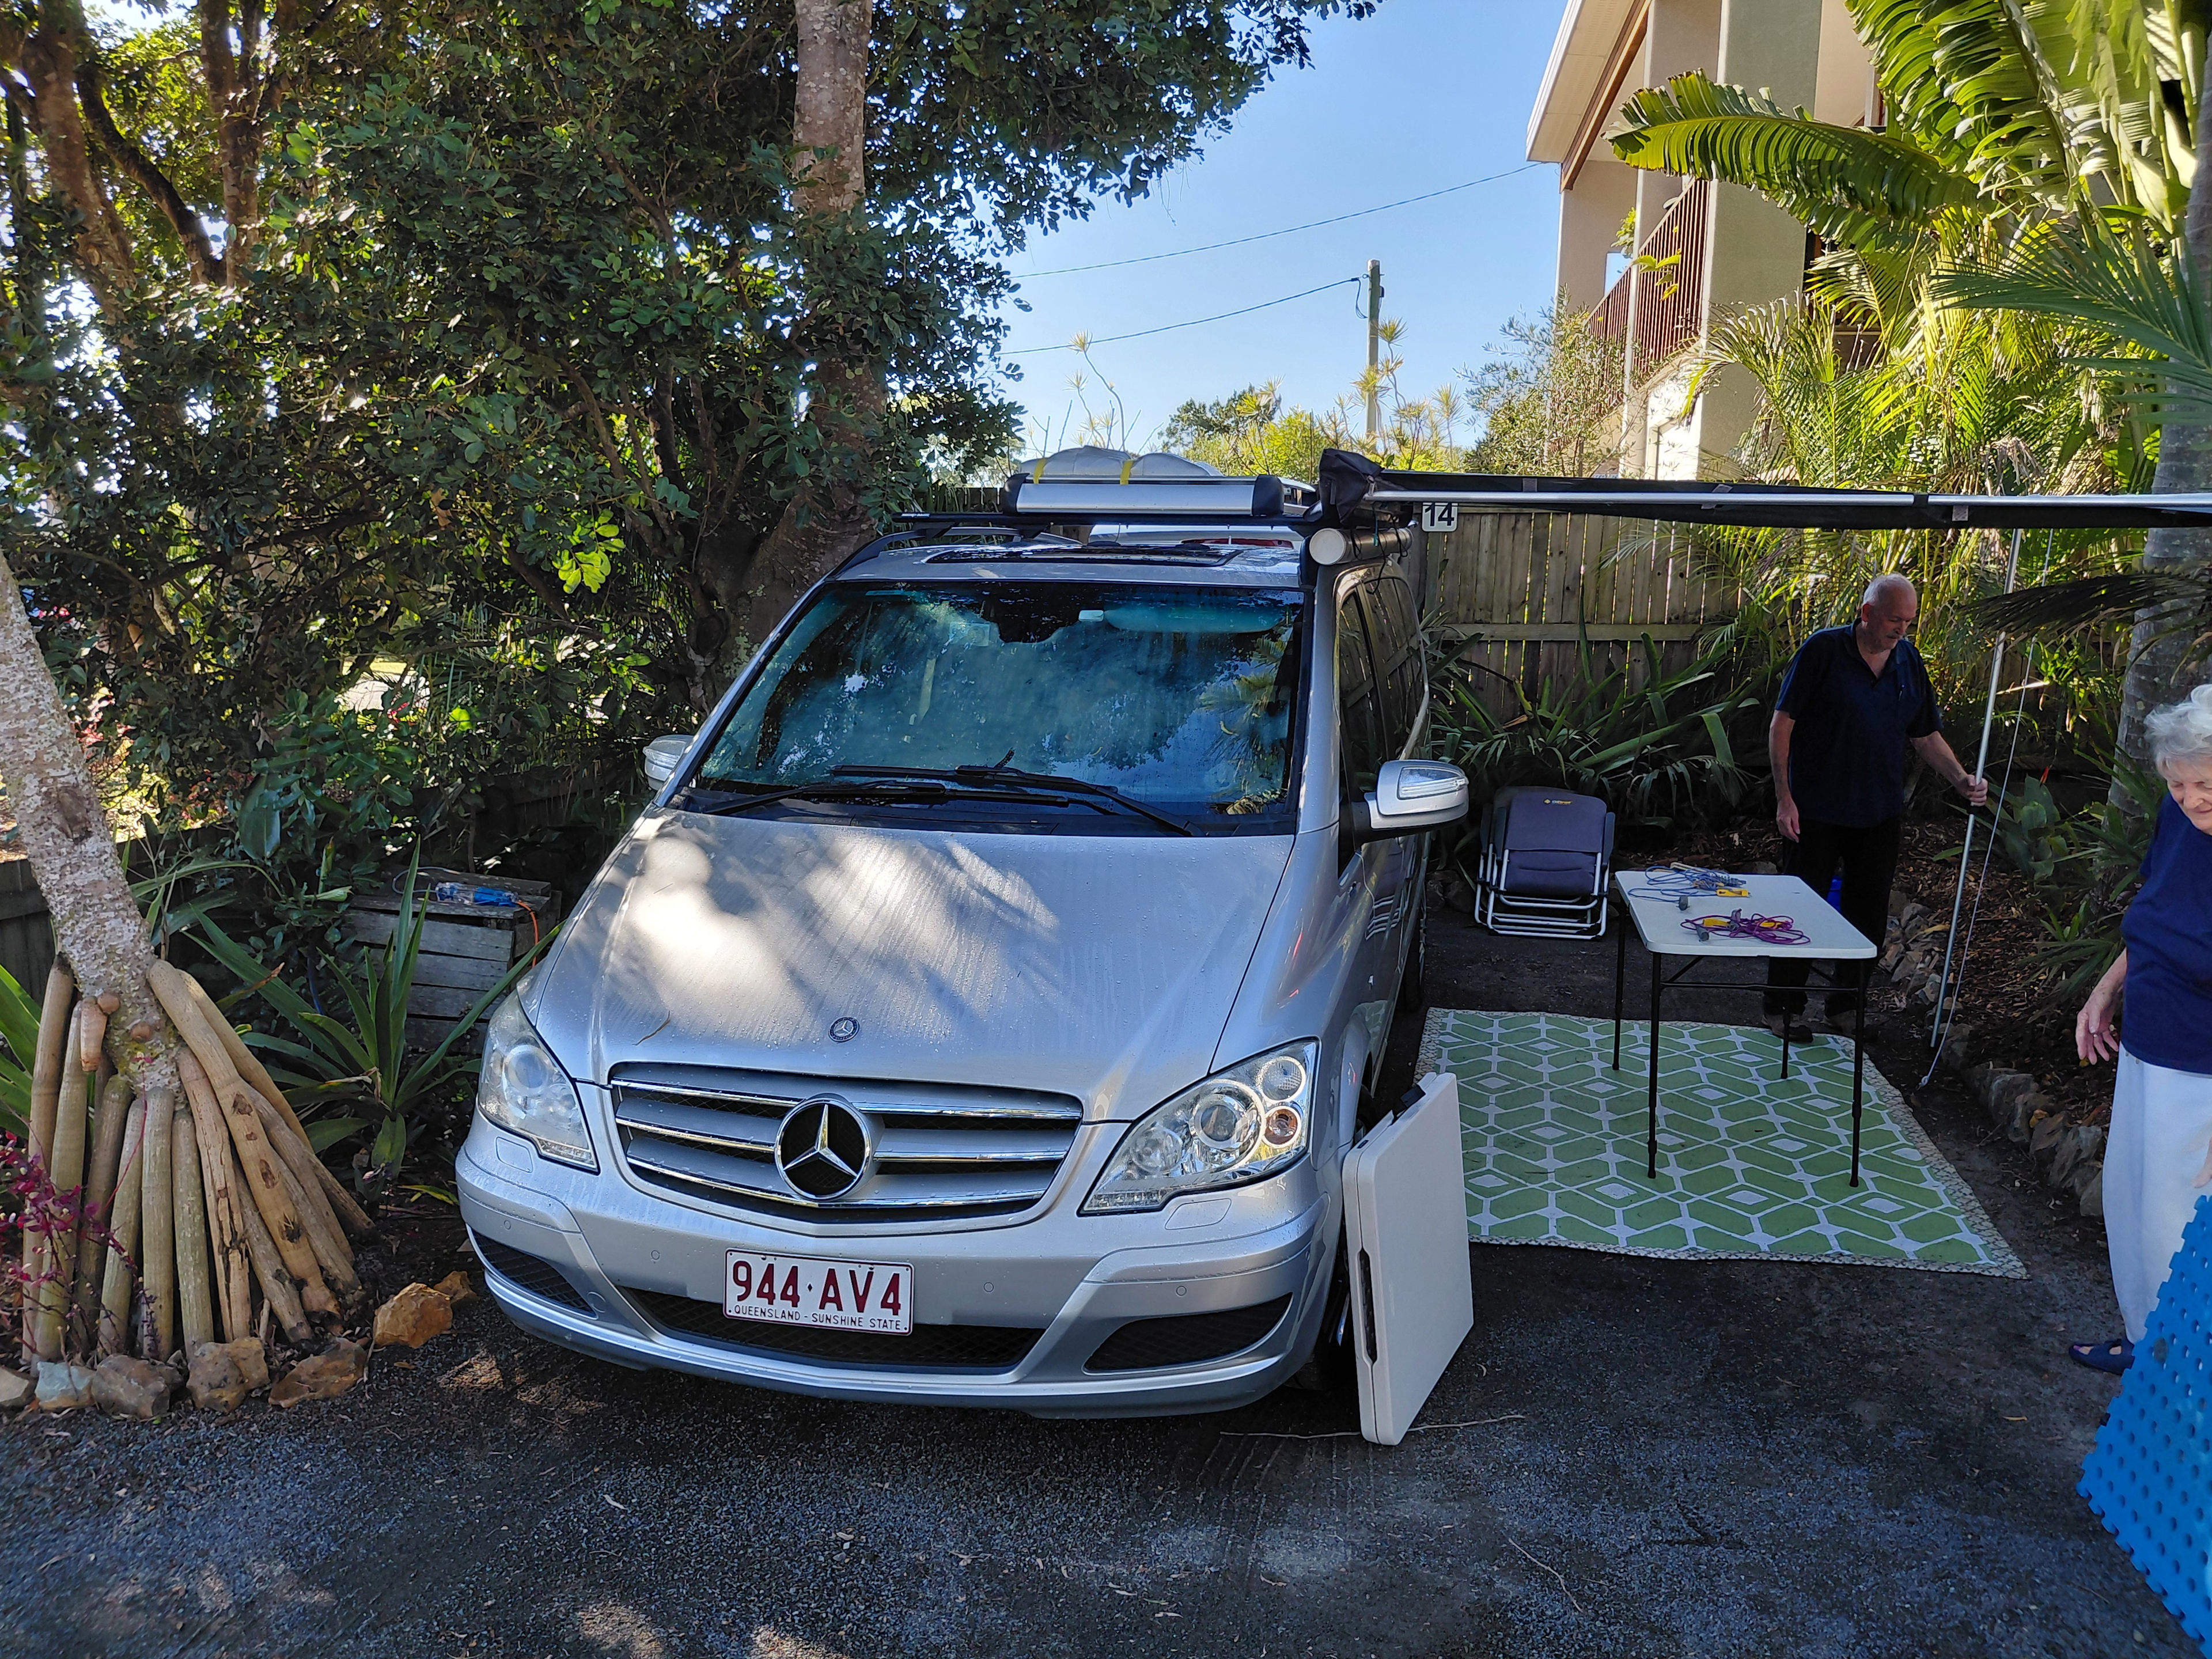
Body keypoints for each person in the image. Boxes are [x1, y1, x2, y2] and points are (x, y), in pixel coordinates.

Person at [1764, 574, 1988, 1040]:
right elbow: (1782, 724)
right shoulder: (1823, 652)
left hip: (1879, 812)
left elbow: (1925, 735)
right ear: (1867, 613)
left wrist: (1961, 779)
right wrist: (1785, 798)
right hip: (1815, 809)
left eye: (1908, 621)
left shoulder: (1908, 661)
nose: (1901, 629)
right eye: (1894, 619)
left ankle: (1846, 1006)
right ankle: (1784, 1007)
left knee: (1866, 914)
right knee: (1800, 910)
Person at [2070, 684, 2212, 1373]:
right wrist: (2103, 991)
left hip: (2202, 1062)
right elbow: (2153, 911)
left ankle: (2179, 1371)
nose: (2192, 799)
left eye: (2206, 784)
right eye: (2180, 784)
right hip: (2150, 1037)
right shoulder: (2178, 815)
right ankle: (2144, 1338)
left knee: (2181, 1221)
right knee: (2132, 1201)